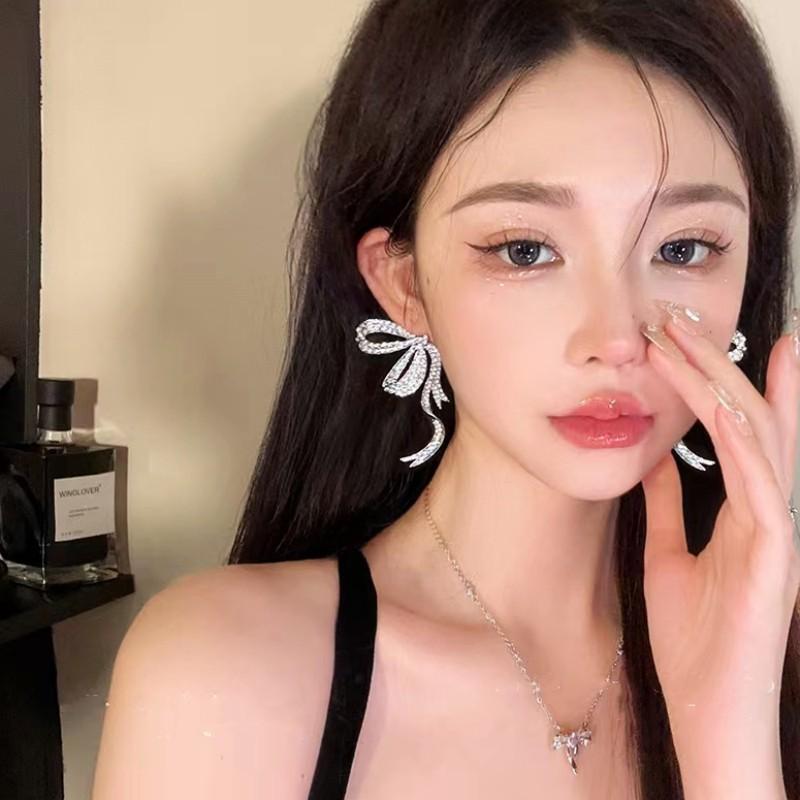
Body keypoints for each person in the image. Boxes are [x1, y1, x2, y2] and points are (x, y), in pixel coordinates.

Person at [91, 1, 800, 798]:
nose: (616, 339)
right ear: (405, 284)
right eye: (524, 250)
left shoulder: (765, 654)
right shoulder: (225, 674)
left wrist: (730, 734)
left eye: (684, 247)